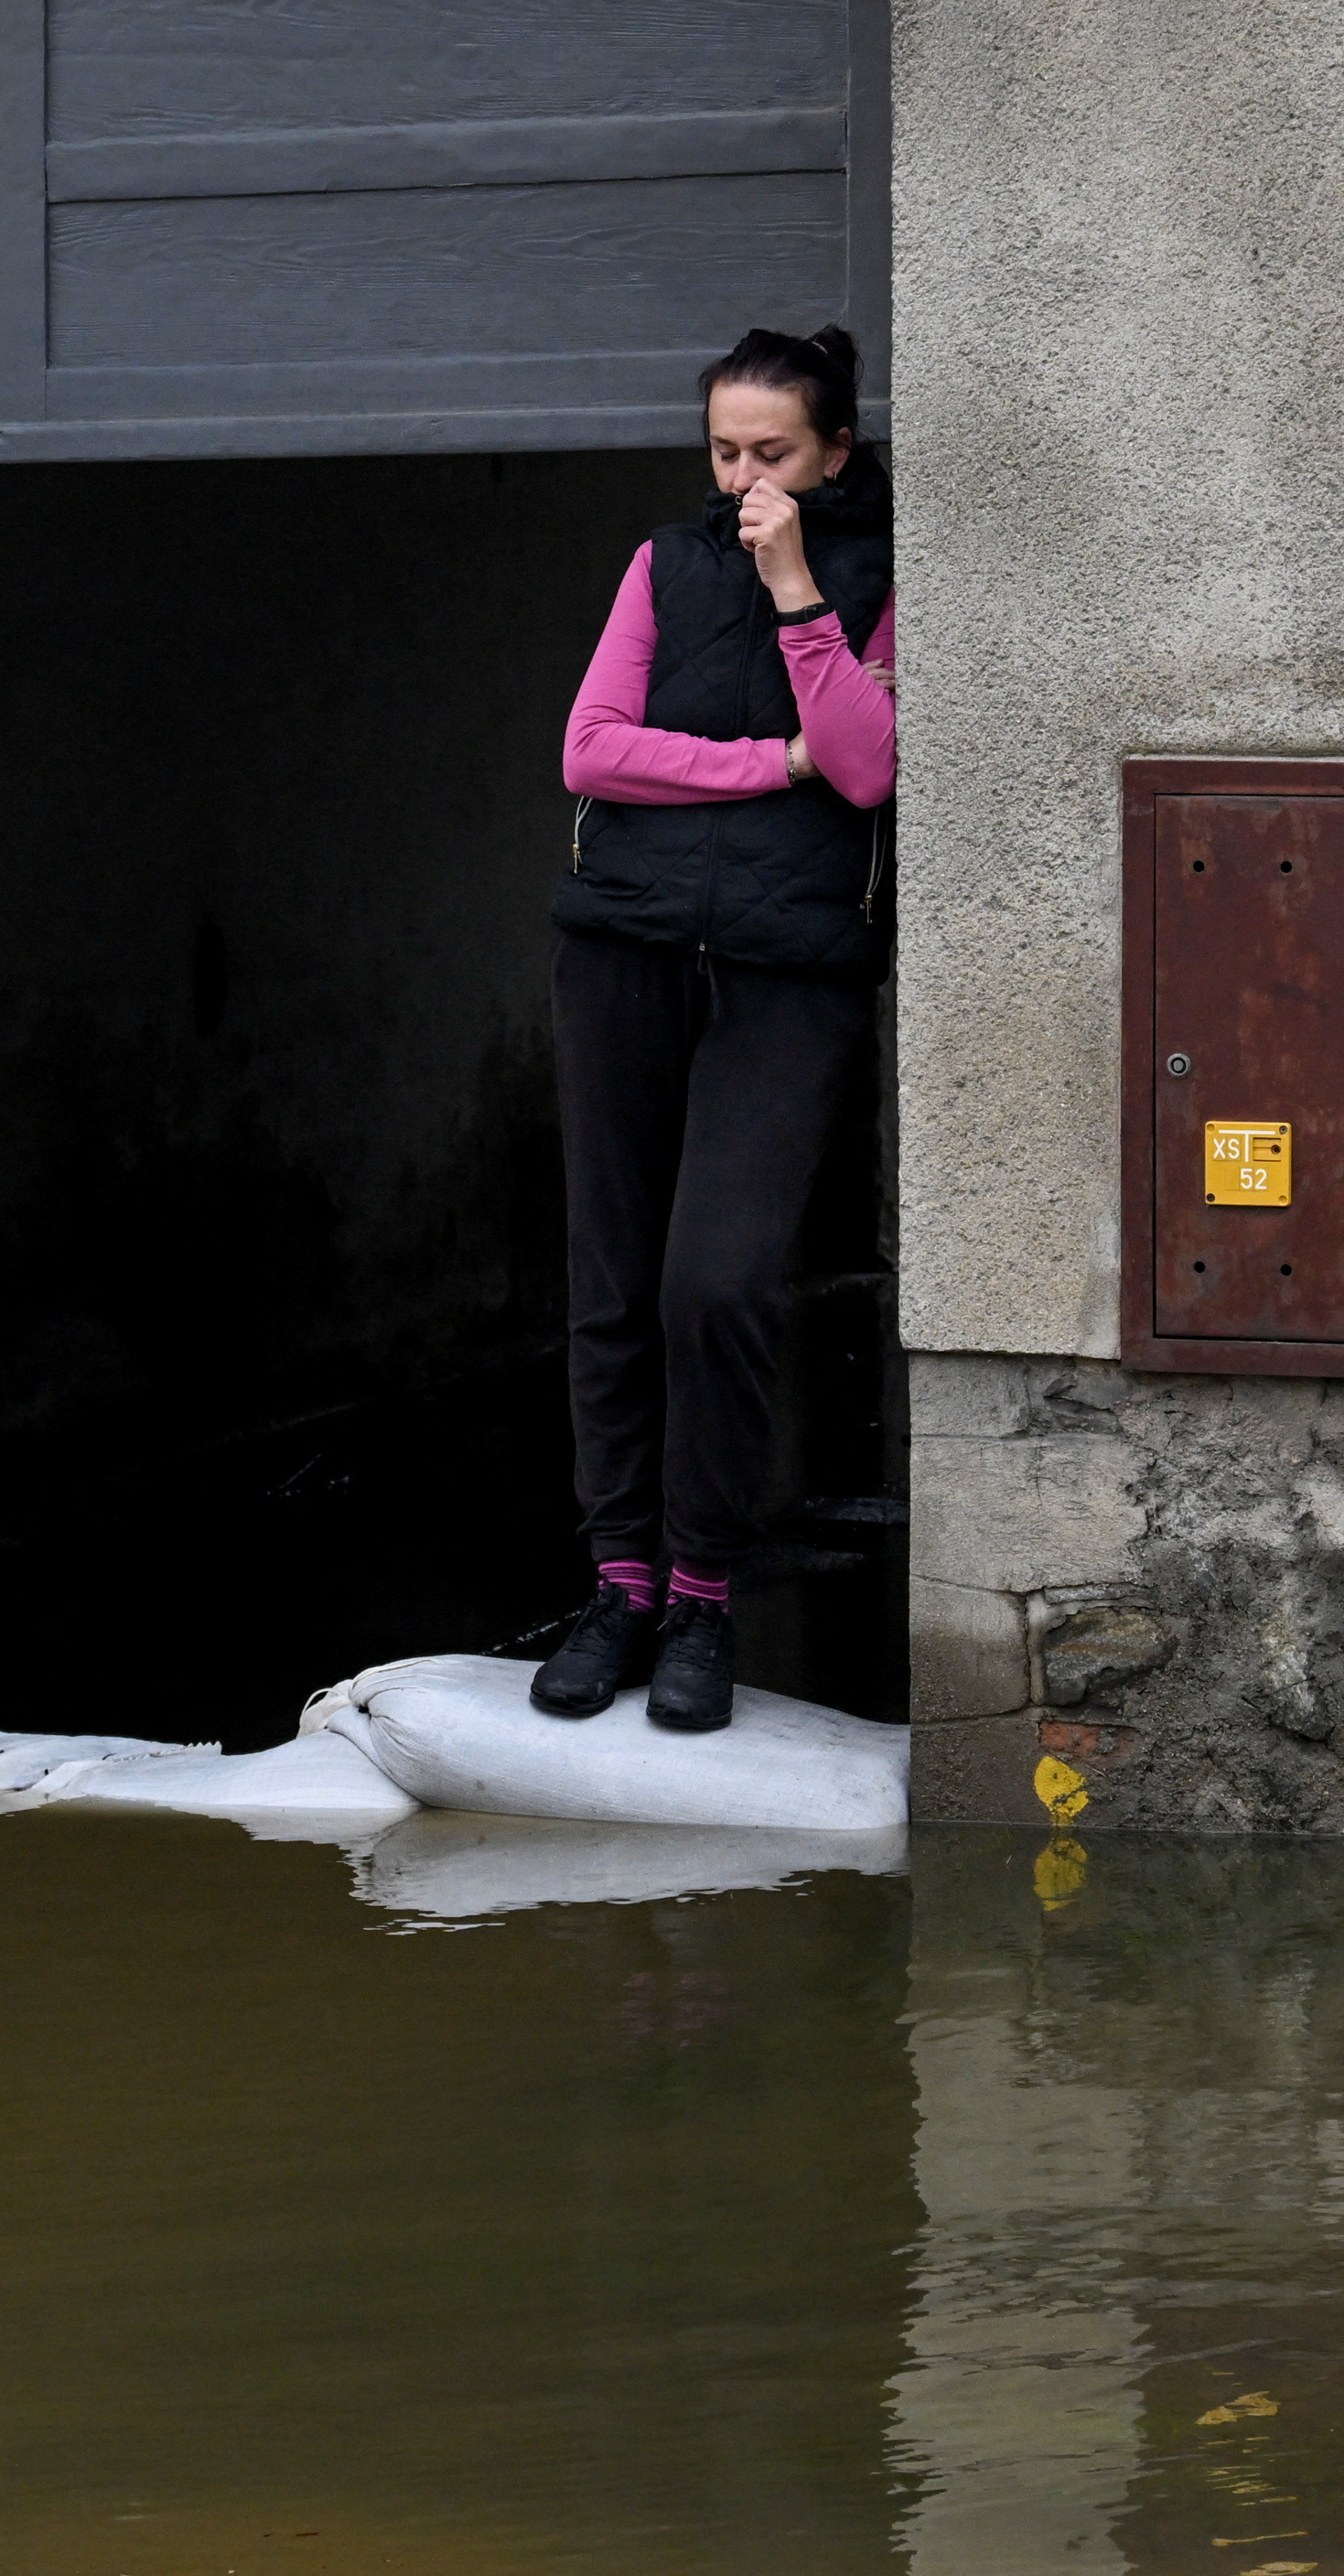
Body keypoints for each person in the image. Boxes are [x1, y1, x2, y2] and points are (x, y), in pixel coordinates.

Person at [532, 324, 896, 1735]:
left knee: (719, 1283)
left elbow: (865, 770)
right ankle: (619, 1585)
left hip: (789, 973)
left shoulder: (876, 581)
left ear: (834, 454)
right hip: (621, 952)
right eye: (725, 452)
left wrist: (800, 594)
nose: (742, 478)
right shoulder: (660, 568)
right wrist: (770, 766)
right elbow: (590, 748)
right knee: (613, 1284)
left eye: (772, 454)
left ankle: (702, 1601)